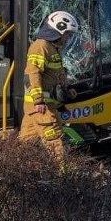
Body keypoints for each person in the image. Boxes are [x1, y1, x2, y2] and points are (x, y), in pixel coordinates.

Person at [19, 11, 80, 165]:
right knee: (55, 142)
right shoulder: (40, 46)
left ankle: (16, 173)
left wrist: (67, 91)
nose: (68, 38)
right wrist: (39, 101)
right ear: (58, 30)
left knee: (25, 145)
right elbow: (32, 74)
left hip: (39, 107)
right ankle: (64, 178)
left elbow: (55, 76)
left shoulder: (52, 48)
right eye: (67, 34)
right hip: (42, 107)